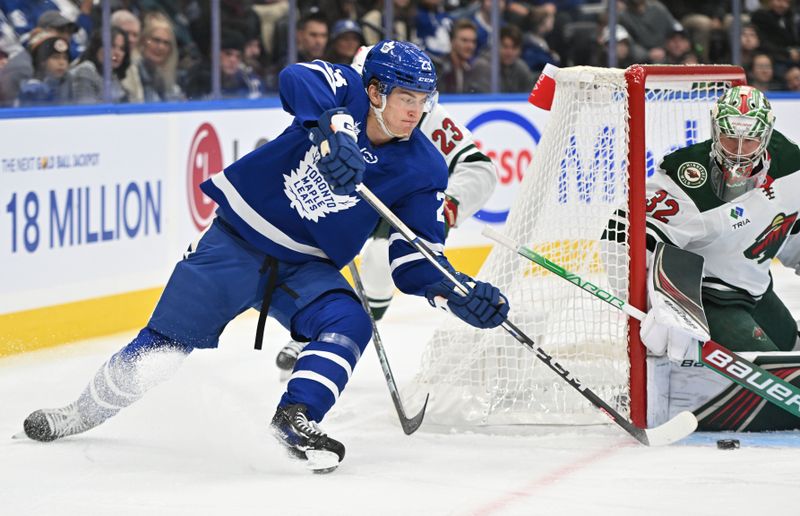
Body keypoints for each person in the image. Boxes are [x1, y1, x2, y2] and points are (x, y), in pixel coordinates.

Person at [21, 41, 510, 474]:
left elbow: (413, 258)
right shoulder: (346, 90)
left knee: (350, 321)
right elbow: (296, 78)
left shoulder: (423, 166)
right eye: (407, 98)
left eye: (424, 101)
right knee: (163, 347)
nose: (416, 111)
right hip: (237, 242)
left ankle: (296, 417)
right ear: (377, 91)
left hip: (306, 268)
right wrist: (332, 131)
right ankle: (79, 413)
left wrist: (452, 292)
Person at [276, 43, 498, 373]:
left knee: (380, 259)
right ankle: (317, 327)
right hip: (342, 199)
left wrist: (447, 208)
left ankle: (341, 334)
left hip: (399, 199)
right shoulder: (346, 98)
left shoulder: (424, 113)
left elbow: (481, 169)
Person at [604, 85, 800, 431]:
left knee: (791, 355)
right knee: (781, 392)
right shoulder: (687, 179)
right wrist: (659, 304)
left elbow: (790, 233)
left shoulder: (792, 166)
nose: (739, 153)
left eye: (750, 142)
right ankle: (666, 391)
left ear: (766, 136)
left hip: (757, 292)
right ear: (715, 130)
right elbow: (620, 237)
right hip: (710, 300)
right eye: (729, 139)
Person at [69, 27, 130, 104]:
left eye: (122, 49)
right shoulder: (85, 70)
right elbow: (87, 111)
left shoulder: (113, 75)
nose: (117, 53)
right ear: (97, 47)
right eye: (112, 46)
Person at [16, 31, 72, 105]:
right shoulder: (32, 89)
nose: (61, 63)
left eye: (65, 58)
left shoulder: (68, 80)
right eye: (55, 57)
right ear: (41, 61)